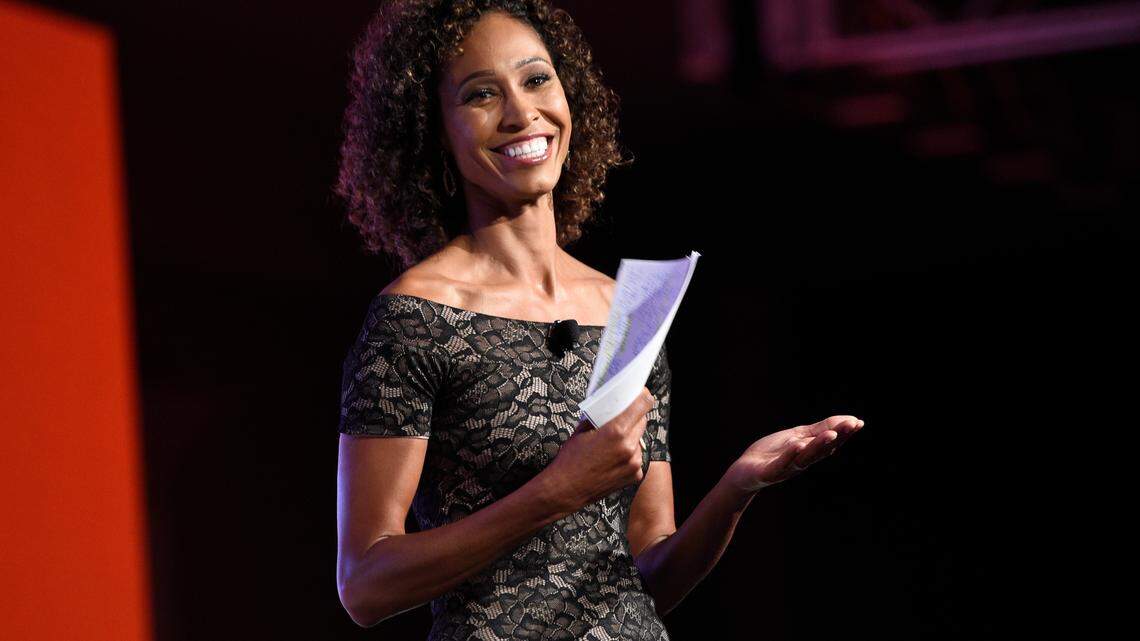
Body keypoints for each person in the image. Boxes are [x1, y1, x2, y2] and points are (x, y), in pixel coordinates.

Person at [332, 1, 864, 638]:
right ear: (433, 132)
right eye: (480, 94)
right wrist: (557, 490)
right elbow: (364, 584)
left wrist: (736, 487)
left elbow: (649, 577)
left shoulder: (628, 308)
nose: (521, 112)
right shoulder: (413, 318)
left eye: (536, 80)